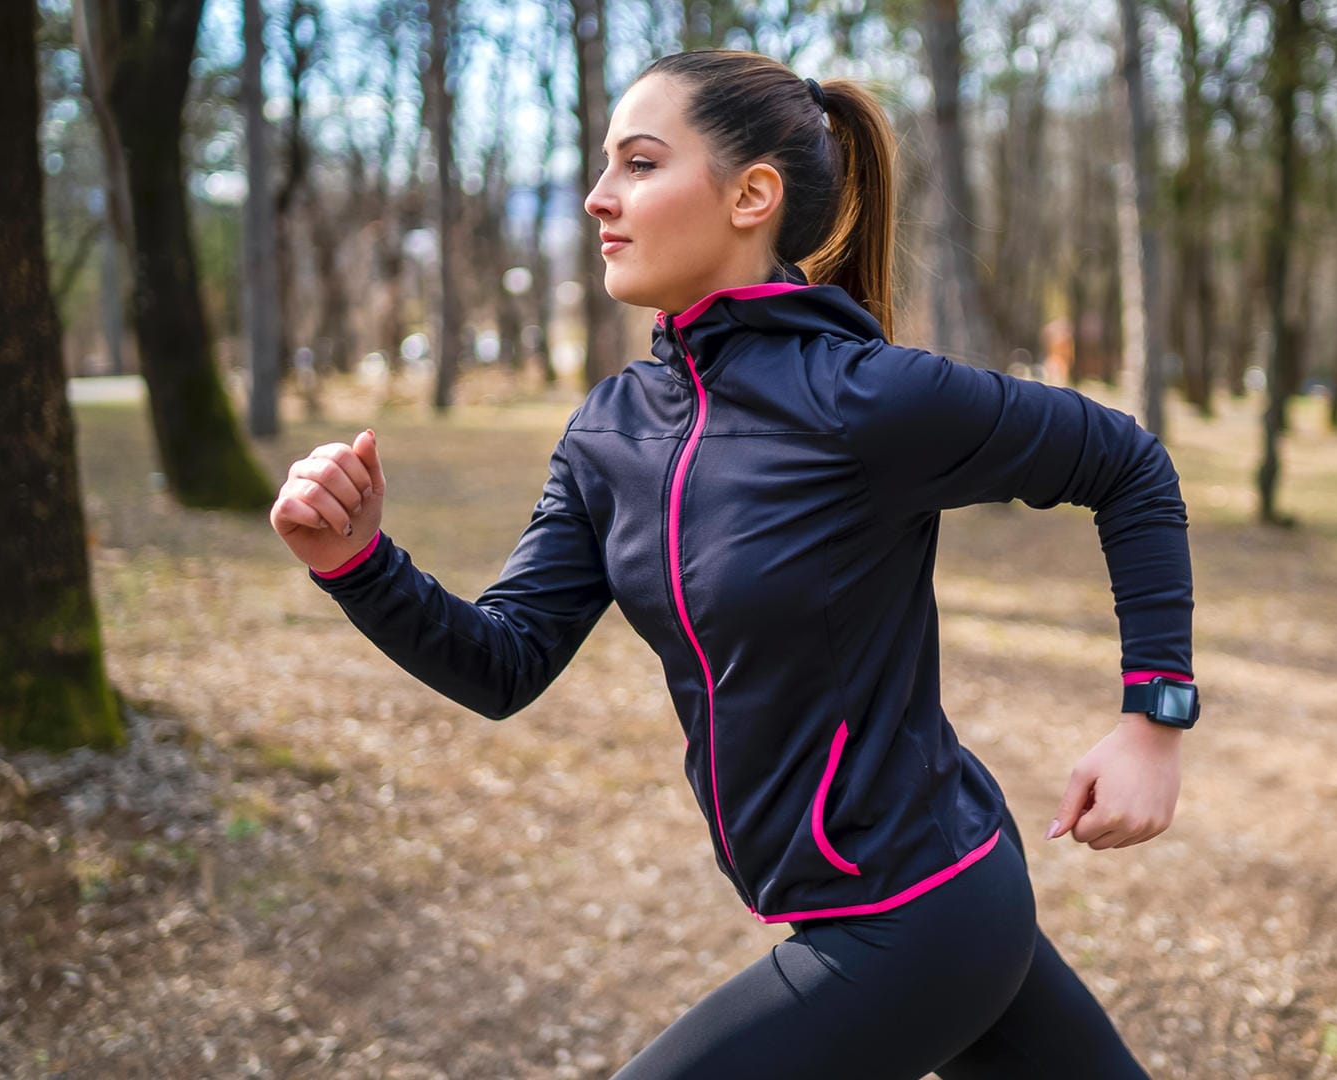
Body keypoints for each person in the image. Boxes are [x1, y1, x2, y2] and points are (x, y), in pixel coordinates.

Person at [271, 48, 1196, 1080]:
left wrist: (1151, 719)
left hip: (919, 911)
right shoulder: (612, 433)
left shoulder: (867, 399)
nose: (597, 197)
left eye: (639, 163)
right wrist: (358, 564)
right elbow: (505, 662)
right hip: (913, 900)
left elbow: (1128, 465)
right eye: (604, 165)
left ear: (752, 195)